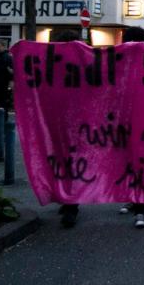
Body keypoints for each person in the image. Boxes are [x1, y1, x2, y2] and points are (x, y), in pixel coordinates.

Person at [117, 26, 144, 228]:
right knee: (130, 161)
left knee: (139, 163)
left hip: (143, 122)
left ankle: (141, 208)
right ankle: (134, 200)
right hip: (127, 120)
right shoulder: (120, 59)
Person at [54, 29, 85, 228]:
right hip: (69, 121)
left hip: (67, 122)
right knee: (66, 162)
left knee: (67, 162)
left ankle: (70, 203)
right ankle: (67, 200)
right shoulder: (84, 63)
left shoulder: (56, 63)